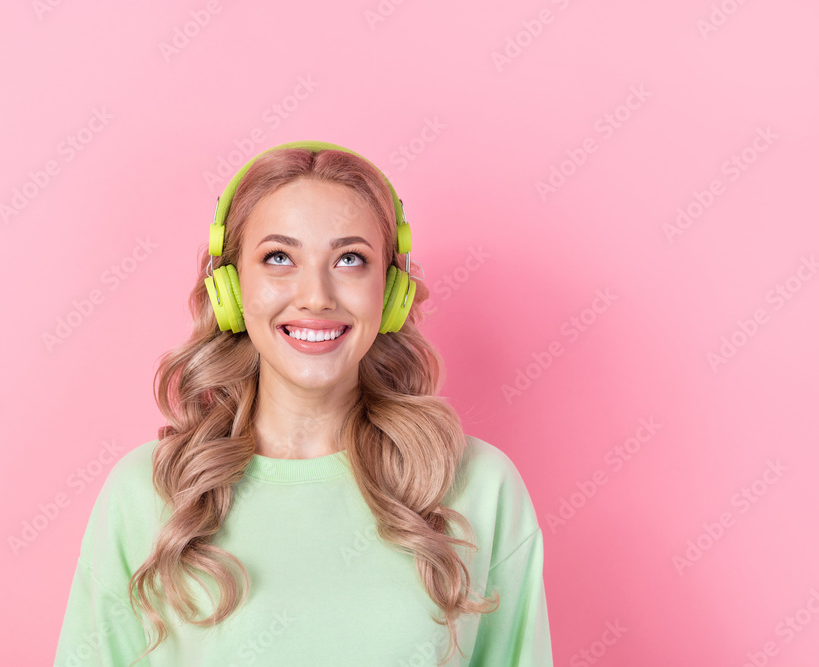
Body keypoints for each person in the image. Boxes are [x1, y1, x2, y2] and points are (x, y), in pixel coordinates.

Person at [54, 140, 553, 666]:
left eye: (350, 259)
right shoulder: (147, 492)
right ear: (231, 288)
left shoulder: (480, 486)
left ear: (389, 291)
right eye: (278, 258)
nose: (316, 295)